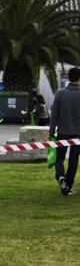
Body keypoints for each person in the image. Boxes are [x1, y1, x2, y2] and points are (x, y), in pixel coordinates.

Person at [49, 67, 80, 196]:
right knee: (73, 160)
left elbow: (54, 115)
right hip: (78, 134)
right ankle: (67, 185)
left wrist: (51, 131)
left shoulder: (60, 93)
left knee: (59, 158)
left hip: (62, 132)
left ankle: (61, 176)